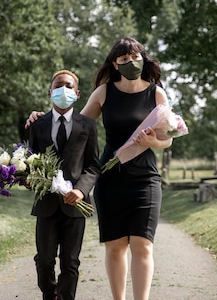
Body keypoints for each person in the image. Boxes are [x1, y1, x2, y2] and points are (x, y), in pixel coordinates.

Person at [26, 38, 172, 300]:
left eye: (135, 57)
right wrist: (41, 117)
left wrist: (153, 142)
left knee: (143, 245)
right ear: (115, 65)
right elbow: (75, 125)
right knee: (115, 247)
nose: (130, 63)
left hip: (146, 179)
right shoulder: (104, 92)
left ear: (143, 58)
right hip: (110, 179)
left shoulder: (156, 93)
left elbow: (168, 138)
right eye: (124, 59)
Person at [28, 69, 101, 300]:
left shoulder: (88, 125)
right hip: (46, 205)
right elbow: (31, 161)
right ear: (50, 92)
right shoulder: (37, 125)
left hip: (75, 207)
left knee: (70, 262)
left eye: (69, 86)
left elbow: (93, 166)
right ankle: (50, 294)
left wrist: (81, 190)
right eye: (59, 86)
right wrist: (30, 180)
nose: (64, 90)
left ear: (77, 94)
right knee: (44, 260)